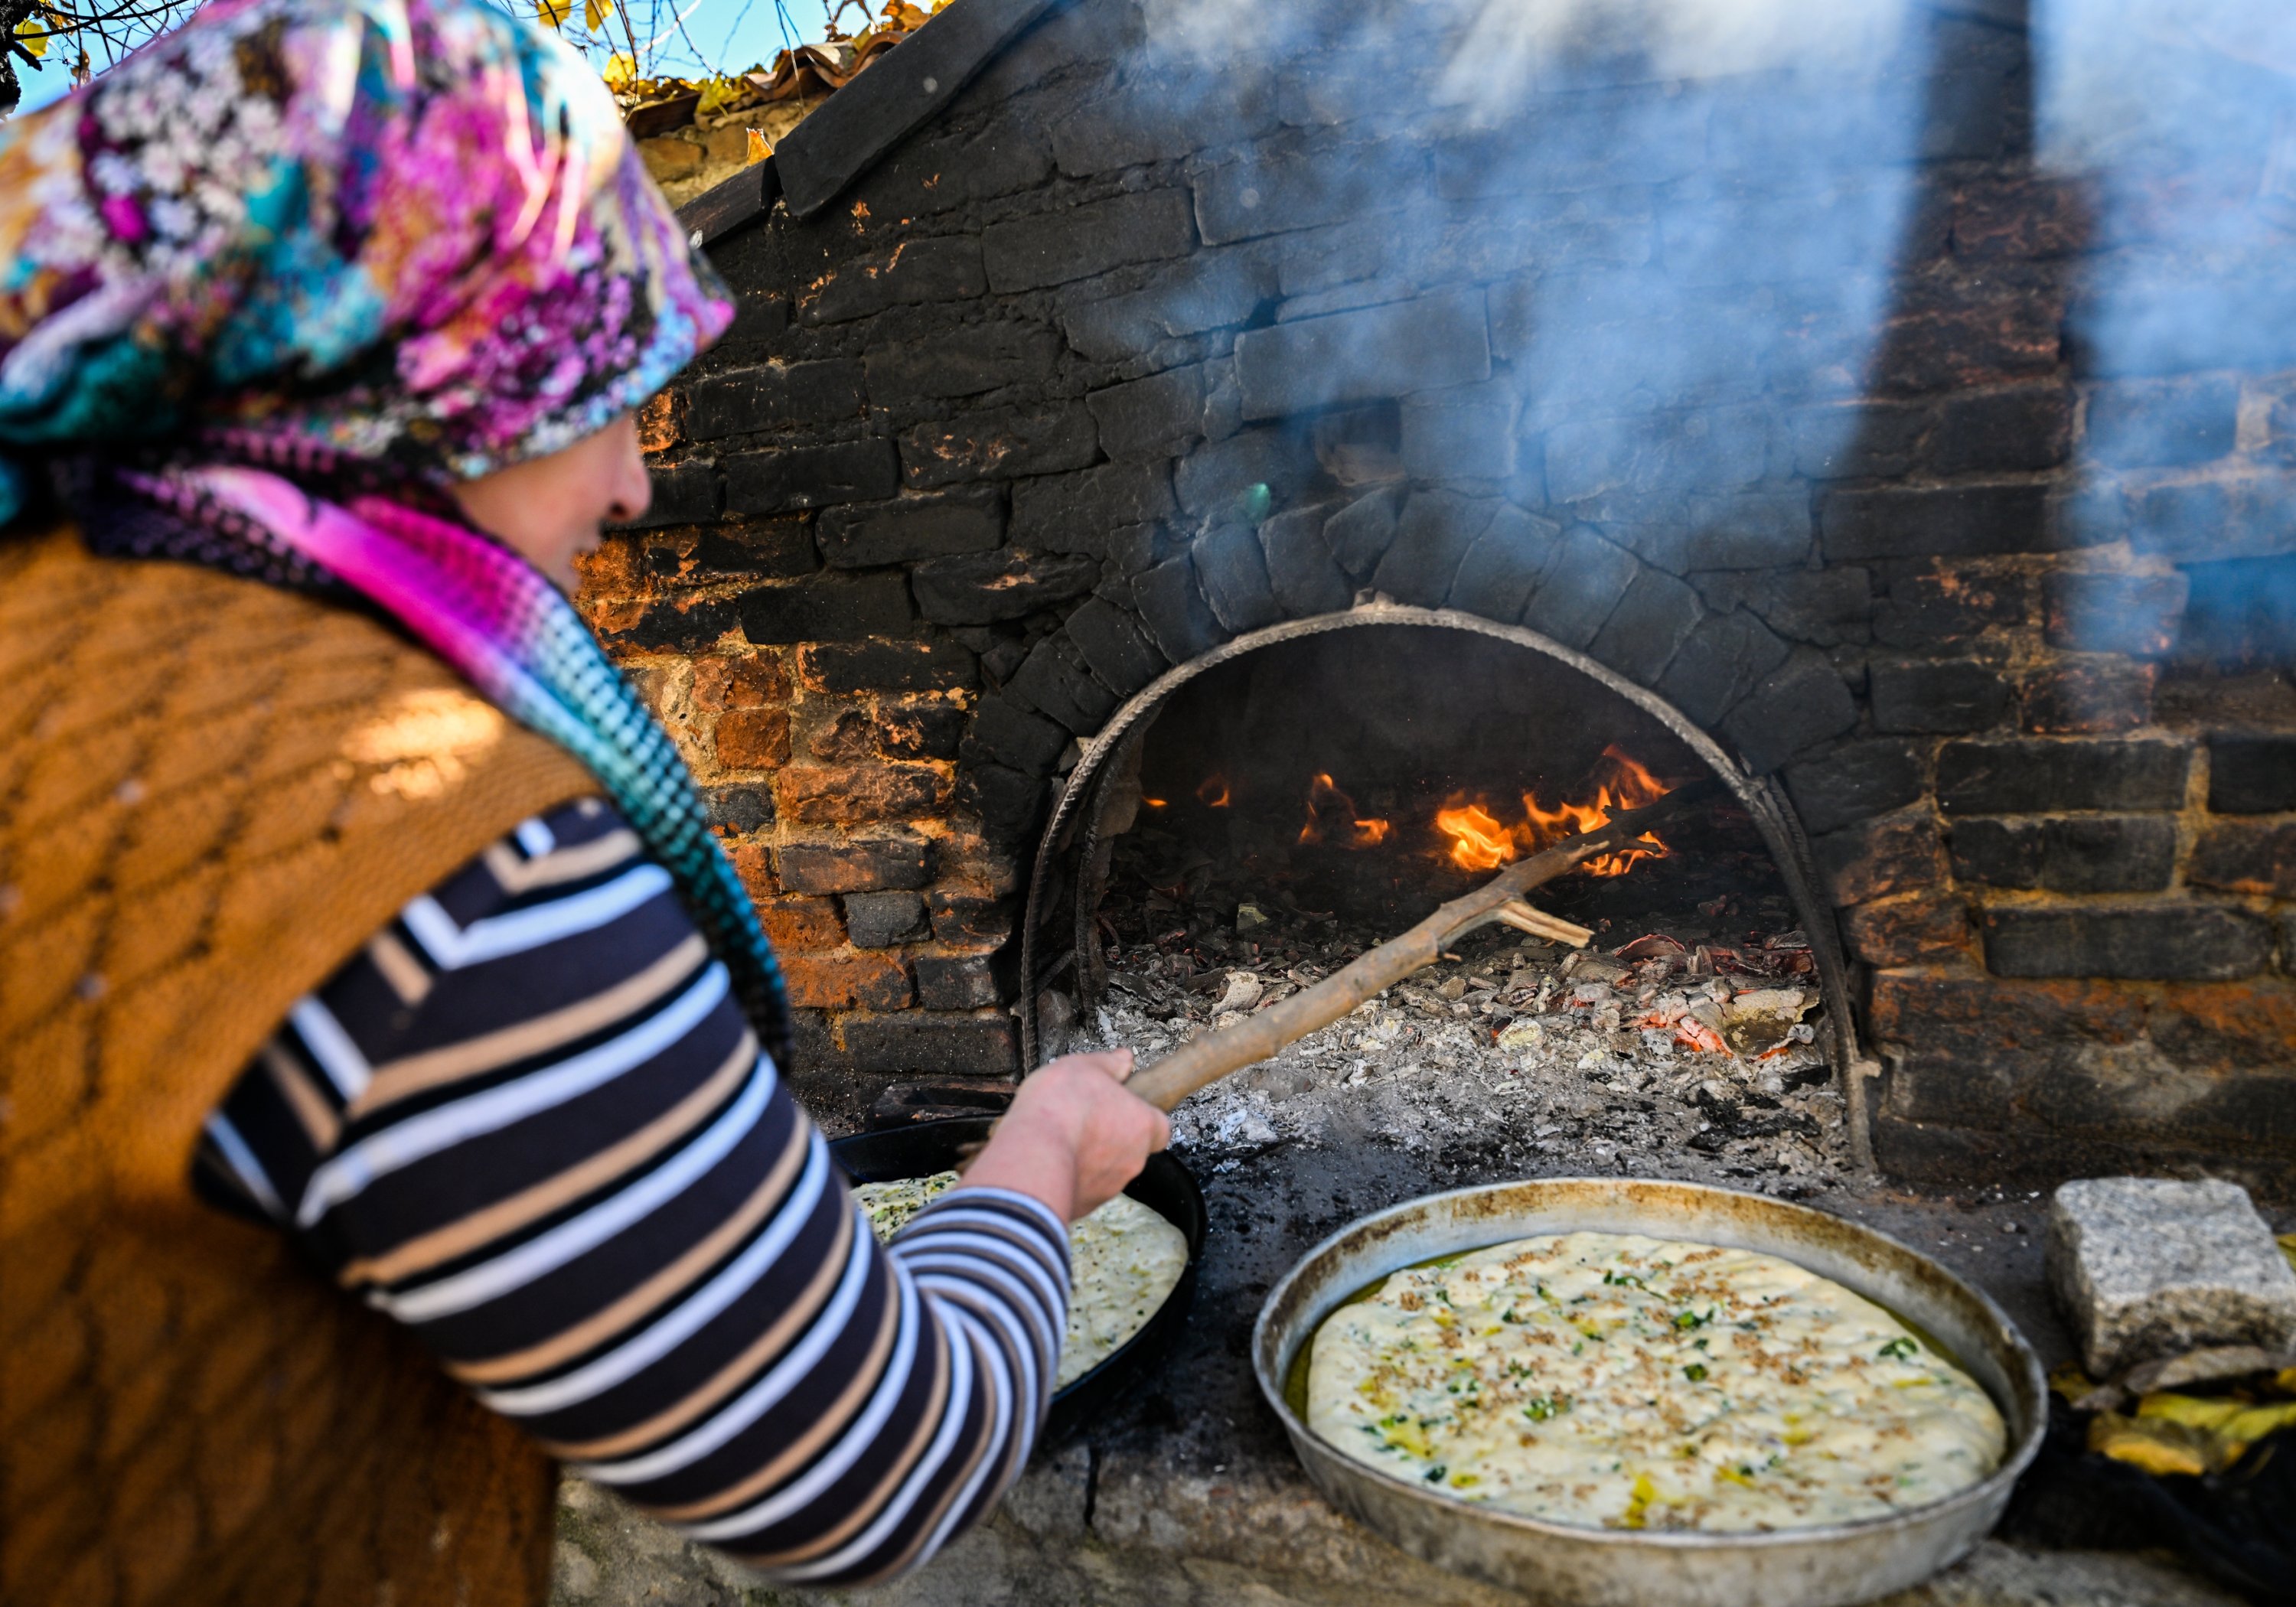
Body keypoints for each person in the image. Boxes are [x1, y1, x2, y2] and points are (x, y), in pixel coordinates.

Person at [0, 0, 1168, 1602]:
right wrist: (1037, 1155)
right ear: (404, 366)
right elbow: (865, 1467)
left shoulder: (51, 618)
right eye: (583, 390)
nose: (631, 483)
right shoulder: (415, 832)